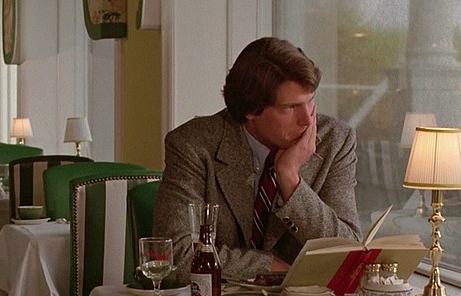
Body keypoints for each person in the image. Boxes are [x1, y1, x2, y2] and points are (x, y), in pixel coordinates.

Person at [153, 37, 361, 281]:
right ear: (250, 110)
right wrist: (267, 264)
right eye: (290, 107)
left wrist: (290, 180)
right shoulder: (193, 145)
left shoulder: (335, 140)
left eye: (310, 101)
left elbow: (348, 253)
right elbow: (174, 256)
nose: (307, 119)